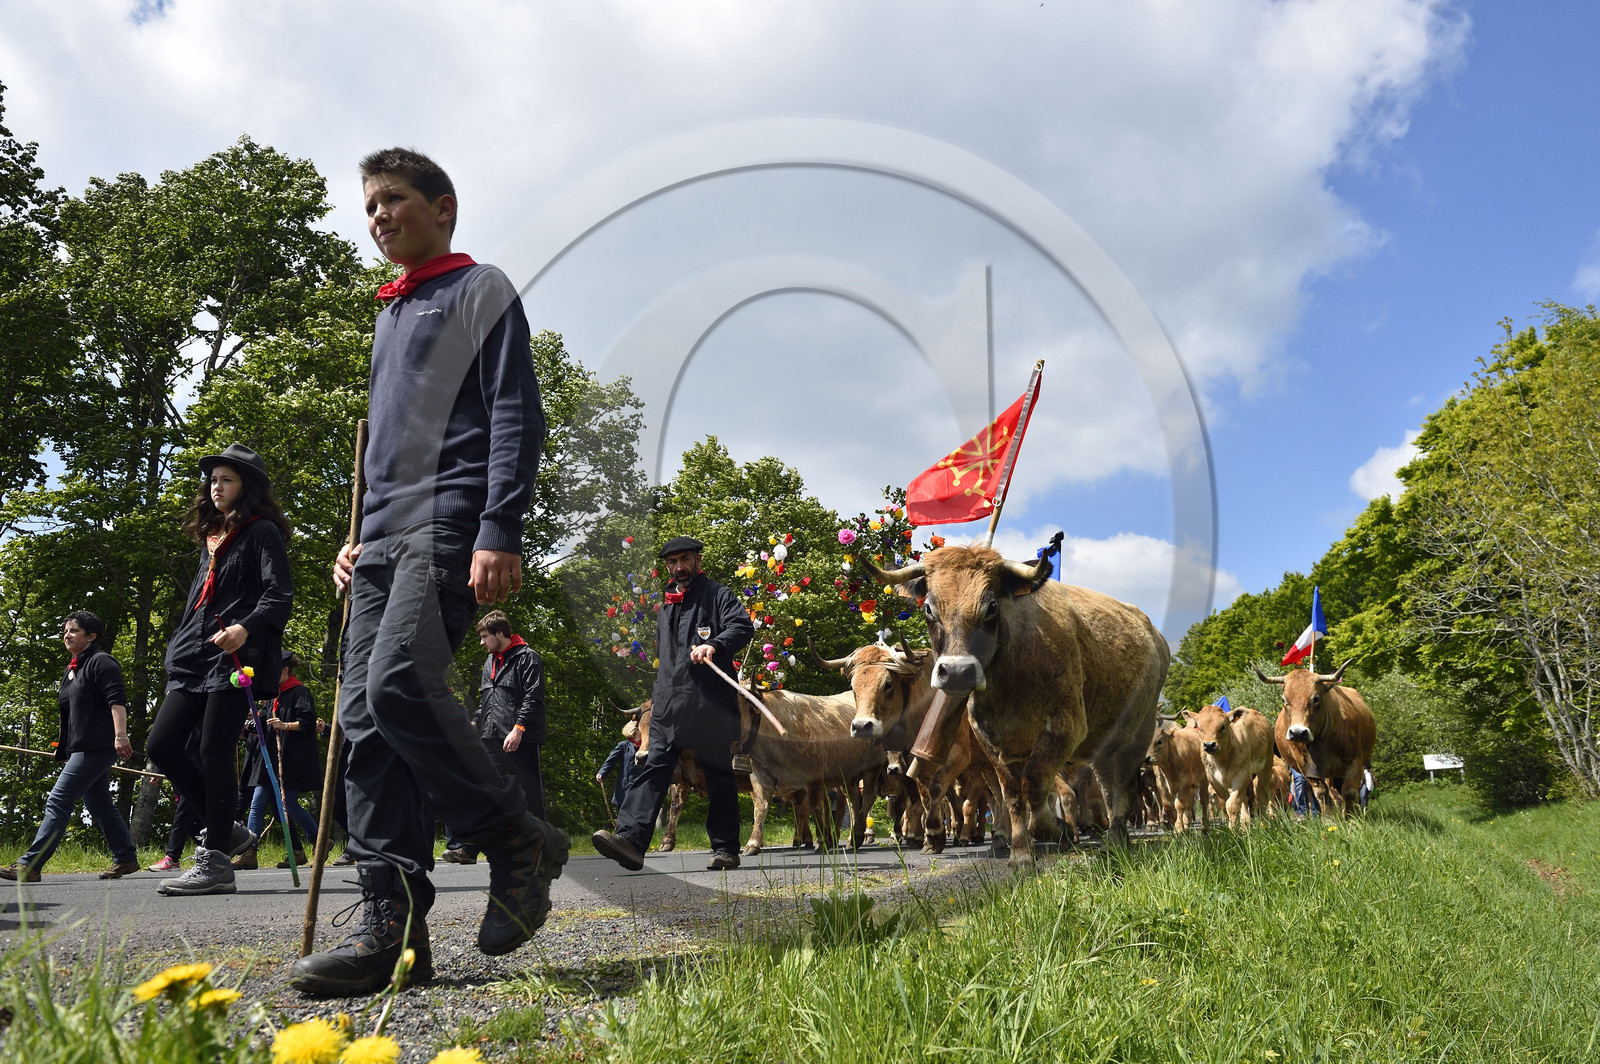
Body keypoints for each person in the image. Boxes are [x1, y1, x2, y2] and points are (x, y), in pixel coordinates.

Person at [288, 148, 567, 998]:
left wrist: (499, 526)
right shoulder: (388, 314)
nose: (379, 216)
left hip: (448, 523)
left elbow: (515, 411)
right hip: (376, 543)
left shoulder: (480, 288)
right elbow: (385, 446)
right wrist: (356, 540)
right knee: (364, 724)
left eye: (394, 199)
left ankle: (517, 837)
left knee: (401, 684)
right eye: (370, 205)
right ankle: (393, 929)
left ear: (443, 207)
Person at [146, 445, 294, 896]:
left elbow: (279, 595)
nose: (217, 487)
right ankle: (227, 831)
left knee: (214, 751)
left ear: (246, 487)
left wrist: (244, 628)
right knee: (161, 745)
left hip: (234, 658)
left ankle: (215, 862)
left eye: (226, 479)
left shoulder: (261, 531)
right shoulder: (211, 535)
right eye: (213, 480)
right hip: (194, 655)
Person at [592, 536, 754, 872]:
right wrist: (658, 697)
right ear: (666, 566)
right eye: (672, 562)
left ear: (697, 560)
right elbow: (666, 659)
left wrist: (715, 645)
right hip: (668, 705)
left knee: (719, 776)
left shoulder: (718, 594)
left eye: (685, 559)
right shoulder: (666, 605)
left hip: (708, 703)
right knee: (653, 768)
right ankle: (631, 841)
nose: (679, 567)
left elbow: (742, 626)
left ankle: (726, 849)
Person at [1, 611, 139, 882]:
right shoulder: (73, 669)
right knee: (100, 804)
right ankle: (125, 858)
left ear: (91, 636)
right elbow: (69, 716)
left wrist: (121, 736)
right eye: (65, 631)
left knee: (58, 800)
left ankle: (31, 865)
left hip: (98, 746)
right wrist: (65, 749)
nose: (67, 635)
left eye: (74, 630)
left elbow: (117, 701)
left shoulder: (101, 662)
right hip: (81, 747)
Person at [235, 653, 323, 870]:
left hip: (290, 759)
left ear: (285, 669)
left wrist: (285, 725)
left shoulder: (300, 692)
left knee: (290, 805)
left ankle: (318, 840)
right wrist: (246, 723)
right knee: (257, 803)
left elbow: (307, 723)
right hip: (269, 760)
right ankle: (250, 852)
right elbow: (262, 723)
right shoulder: (274, 695)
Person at [473, 610, 547, 818]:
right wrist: (475, 722)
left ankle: (541, 838)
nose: (481, 642)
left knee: (529, 798)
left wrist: (518, 729)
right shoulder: (489, 662)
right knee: (486, 792)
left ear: (499, 633)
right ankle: (483, 839)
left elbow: (534, 698)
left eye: (484, 636)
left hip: (520, 739)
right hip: (490, 738)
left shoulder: (528, 657)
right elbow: (486, 701)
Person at [149, 730, 204, 872]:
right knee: (193, 820)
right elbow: (171, 744)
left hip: (196, 772)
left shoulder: (203, 722)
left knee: (183, 815)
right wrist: (159, 770)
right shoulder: (181, 722)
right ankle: (215, 850)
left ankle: (172, 858)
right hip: (180, 773)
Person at [596, 720, 642, 811]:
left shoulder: (646, 747)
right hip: (625, 788)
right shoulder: (623, 745)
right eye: (639, 729)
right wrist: (602, 773)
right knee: (624, 815)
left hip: (641, 788)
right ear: (634, 731)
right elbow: (610, 761)